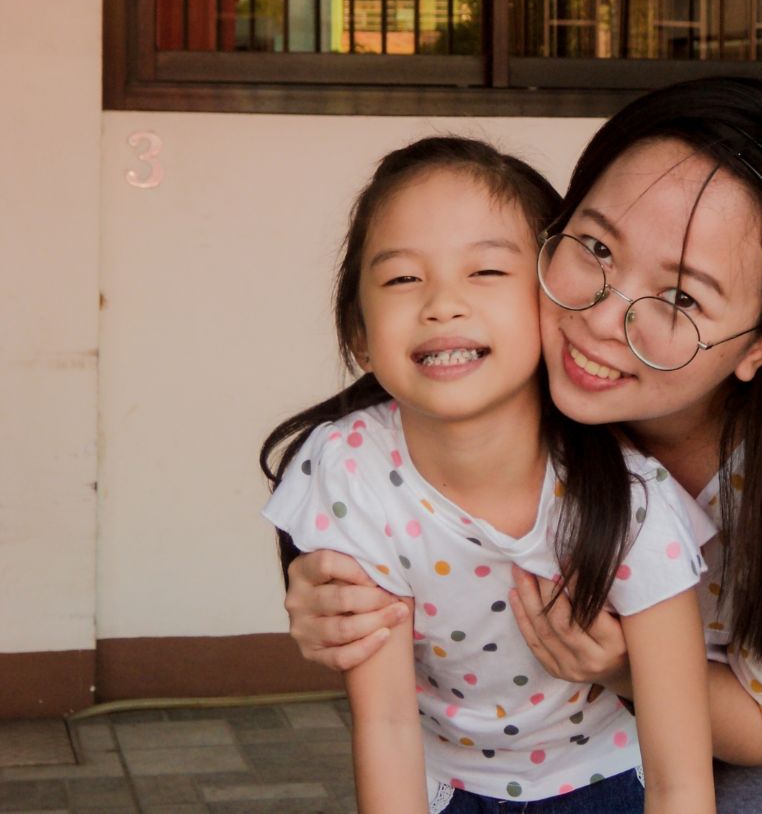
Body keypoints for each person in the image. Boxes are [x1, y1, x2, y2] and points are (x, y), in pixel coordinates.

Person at [282, 79, 762, 810]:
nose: (603, 320)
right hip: (575, 733)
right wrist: (326, 600)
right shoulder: (493, 376)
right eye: (597, 246)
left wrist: (625, 669)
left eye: (681, 298)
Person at [260, 136, 723, 814]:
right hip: (443, 787)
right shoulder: (350, 471)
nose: (442, 303)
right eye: (401, 279)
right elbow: (386, 727)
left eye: (486, 273)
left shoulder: (629, 500)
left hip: (608, 784)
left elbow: (682, 776)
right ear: (359, 335)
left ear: (552, 306)